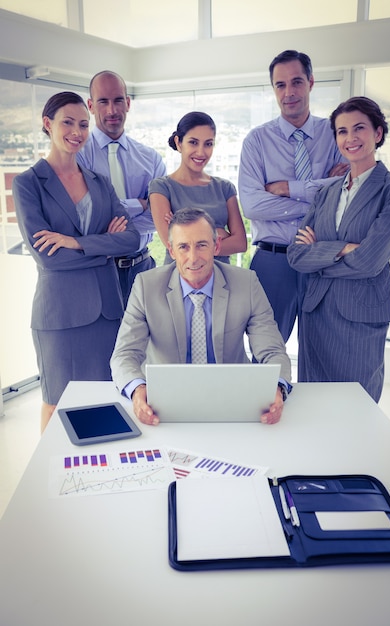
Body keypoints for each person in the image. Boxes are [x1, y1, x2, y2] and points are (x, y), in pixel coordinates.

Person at [12, 91, 141, 432]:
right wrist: (104, 246)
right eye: (67, 122)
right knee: (57, 403)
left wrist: (75, 242)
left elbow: (131, 239)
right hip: (61, 315)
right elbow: (49, 258)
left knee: (107, 398)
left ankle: (98, 476)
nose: (77, 131)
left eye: (83, 124)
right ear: (47, 124)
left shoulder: (99, 182)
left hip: (107, 311)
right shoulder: (28, 184)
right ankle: (49, 481)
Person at [111, 207, 292, 426]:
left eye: (202, 245)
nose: (193, 258)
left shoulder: (247, 283)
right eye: (183, 247)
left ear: (216, 246)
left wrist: (277, 388)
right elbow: (124, 354)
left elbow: (272, 350)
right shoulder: (146, 286)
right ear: (171, 250)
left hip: (232, 401)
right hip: (165, 404)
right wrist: (138, 390)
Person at [287, 96, 390, 402]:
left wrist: (320, 250)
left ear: (378, 134)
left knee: (357, 404)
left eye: (359, 128)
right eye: (342, 131)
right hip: (317, 312)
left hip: (360, 312)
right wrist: (345, 248)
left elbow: (370, 260)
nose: (350, 138)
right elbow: (296, 254)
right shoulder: (326, 191)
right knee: (314, 404)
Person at [238, 50, 349, 342]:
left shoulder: (336, 133)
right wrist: (322, 192)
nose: (289, 92)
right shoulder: (257, 141)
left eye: (297, 82)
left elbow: (346, 196)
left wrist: (290, 188)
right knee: (267, 352)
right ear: (274, 88)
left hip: (322, 258)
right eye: (281, 85)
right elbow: (252, 205)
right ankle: (269, 392)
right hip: (273, 261)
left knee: (324, 348)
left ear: (311, 82)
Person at [77, 70, 166, 306]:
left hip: (143, 269)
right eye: (103, 102)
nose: (112, 110)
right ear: (91, 106)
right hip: (98, 271)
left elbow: (162, 217)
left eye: (118, 100)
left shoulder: (151, 159)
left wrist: (112, 226)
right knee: (104, 343)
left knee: (149, 342)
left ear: (128, 103)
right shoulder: (77, 157)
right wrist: (141, 204)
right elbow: (86, 216)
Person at [149, 111, 247, 264]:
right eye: (193, 142)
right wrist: (218, 234)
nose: (201, 152)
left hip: (222, 278)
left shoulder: (224, 188)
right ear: (178, 142)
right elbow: (172, 245)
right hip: (179, 278)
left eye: (208, 144)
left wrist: (188, 236)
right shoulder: (161, 187)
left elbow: (240, 243)